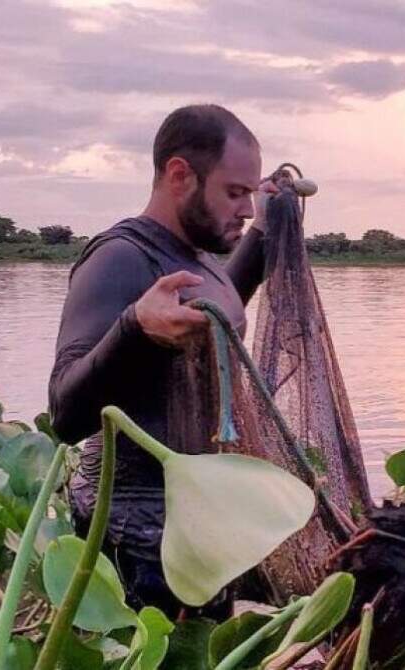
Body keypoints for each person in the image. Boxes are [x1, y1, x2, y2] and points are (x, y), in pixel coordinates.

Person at [48, 104, 279, 618]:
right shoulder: (120, 258)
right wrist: (135, 329)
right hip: (137, 531)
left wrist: (264, 234)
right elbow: (65, 415)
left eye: (251, 193)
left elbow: (219, 313)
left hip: (199, 515)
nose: (245, 208)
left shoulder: (197, 258)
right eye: (235, 192)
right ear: (180, 175)